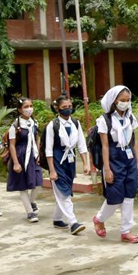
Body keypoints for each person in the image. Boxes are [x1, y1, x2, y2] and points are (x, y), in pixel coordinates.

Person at [92, 86, 138, 243]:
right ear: (114, 100)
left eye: (128, 100)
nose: (125, 103)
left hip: (129, 158)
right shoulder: (104, 120)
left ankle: (126, 231)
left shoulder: (130, 118)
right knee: (115, 197)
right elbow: (105, 146)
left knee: (129, 195)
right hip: (114, 158)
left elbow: (134, 142)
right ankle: (99, 219)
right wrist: (107, 169)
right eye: (122, 100)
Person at [45, 96, 89, 235]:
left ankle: (57, 219)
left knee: (65, 190)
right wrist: (52, 170)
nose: (68, 109)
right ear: (58, 109)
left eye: (69, 106)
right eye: (64, 107)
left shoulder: (75, 123)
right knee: (63, 192)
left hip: (70, 162)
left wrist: (86, 163)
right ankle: (73, 222)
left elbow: (81, 145)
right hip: (58, 160)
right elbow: (48, 150)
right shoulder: (53, 125)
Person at [7, 98, 43, 223]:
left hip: (33, 156)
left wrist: (38, 154)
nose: (29, 109)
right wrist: (16, 162)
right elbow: (12, 145)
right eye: (26, 106)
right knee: (23, 186)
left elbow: (37, 138)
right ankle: (29, 212)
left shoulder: (34, 123)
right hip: (21, 156)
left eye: (30, 106)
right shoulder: (15, 126)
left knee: (38, 183)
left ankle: (31, 201)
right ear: (20, 109)